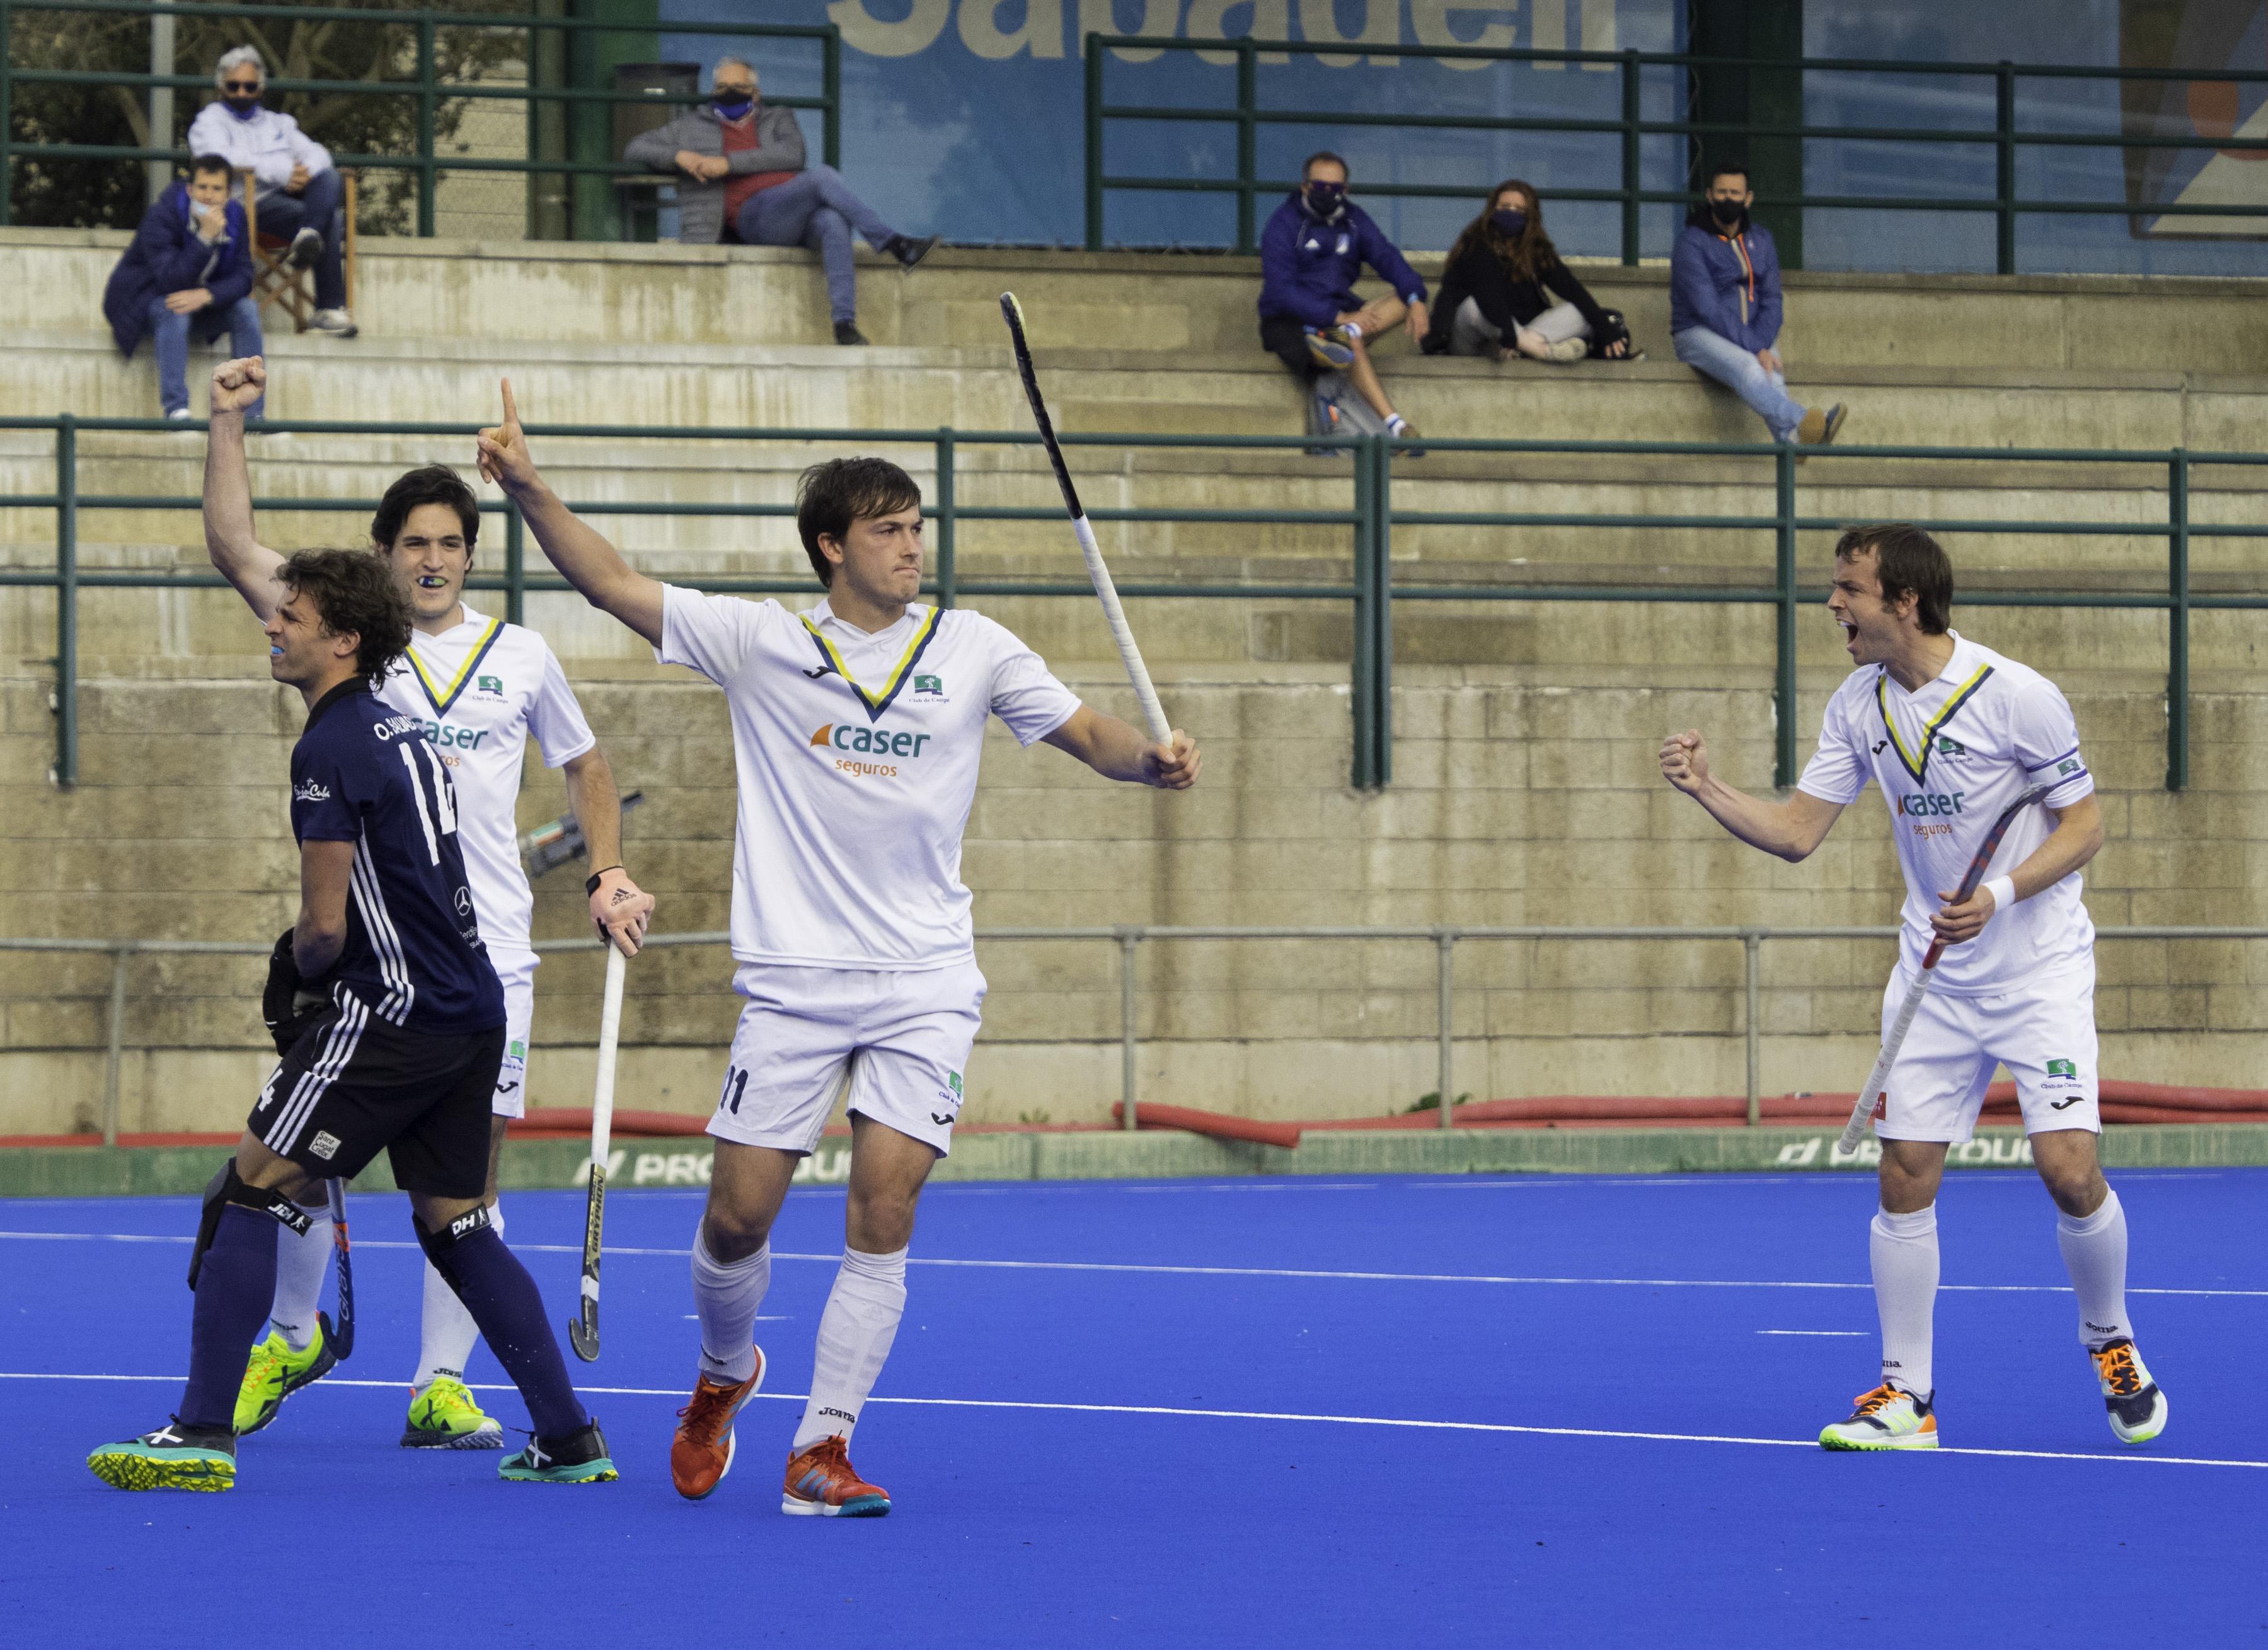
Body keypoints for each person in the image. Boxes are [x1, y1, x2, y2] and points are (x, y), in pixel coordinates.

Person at [475, 381, 1200, 1515]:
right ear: (831, 546)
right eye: (889, 530)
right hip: (793, 984)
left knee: (882, 1208)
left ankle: (821, 1446)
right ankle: (724, 1374)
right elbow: (611, 584)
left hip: (925, 980)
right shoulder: (763, 639)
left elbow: (1091, 732)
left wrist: (1145, 761)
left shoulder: (972, 646)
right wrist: (525, 486)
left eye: (918, 528)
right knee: (735, 1219)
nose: (913, 546)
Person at [85, 546, 616, 1491]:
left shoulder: (327, 748)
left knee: (247, 1186)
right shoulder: (408, 731)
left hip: (395, 1014)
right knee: (457, 1223)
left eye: (290, 613)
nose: (272, 623)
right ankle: (569, 1438)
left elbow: (327, 926)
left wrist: (299, 974)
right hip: (472, 1008)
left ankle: (202, 1431)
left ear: (343, 638)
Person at [198, 355, 653, 1451]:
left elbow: (587, 766)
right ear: (383, 557)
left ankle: (438, 1381)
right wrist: (224, 423)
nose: (435, 559)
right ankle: (294, 1328)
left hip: (491, 957)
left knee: (458, 1187)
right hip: (378, 955)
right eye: (415, 543)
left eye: (452, 542)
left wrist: (604, 870)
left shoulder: (522, 654)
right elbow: (229, 544)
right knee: (304, 1149)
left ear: (470, 554)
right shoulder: (347, 640)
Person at [1659, 523, 2167, 1453]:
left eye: (1847, 589)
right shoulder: (1856, 703)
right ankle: (1905, 1395)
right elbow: (1794, 831)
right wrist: (1704, 787)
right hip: (1931, 976)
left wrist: (1998, 893)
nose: (1831, 605)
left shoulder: (2017, 695)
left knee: (2065, 1168)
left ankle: (2109, 1339)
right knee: (1902, 1175)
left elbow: (2084, 825)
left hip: (2037, 967)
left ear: (1903, 600)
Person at [624, 54, 938, 346]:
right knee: (824, 176)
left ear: (755, 94)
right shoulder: (691, 126)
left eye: (738, 87)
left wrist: (728, 163)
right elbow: (635, 147)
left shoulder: (778, 118)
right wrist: (679, 154)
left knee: (833, 220)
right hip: (752, 218)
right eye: (721, 87)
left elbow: (793, 154)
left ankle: (845, 324)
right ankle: (895, 245)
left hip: (791, 212)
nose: (729, 93)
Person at [1258, 152, 1429, 444]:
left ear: (1345, 191)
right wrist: (1336, 317)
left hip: (1341, 314)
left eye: (1335, 189)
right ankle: (1396, 425)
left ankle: (1339, 337)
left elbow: (1387, 257)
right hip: (1289, 321)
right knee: (1350, 340)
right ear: (1304, 187)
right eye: (1319, 186)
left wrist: (1416, 299)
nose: (1327, 193)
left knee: (1401, 301)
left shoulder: (1354, 220)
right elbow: (1280, 291)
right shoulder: (1283, 222)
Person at [186, 45, 355, 337]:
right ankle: (329, 307)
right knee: (333, 219)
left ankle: (308, 238)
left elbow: (319, 154)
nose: (241, 93)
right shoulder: (209, 122)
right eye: (234, 85)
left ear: (260, 89)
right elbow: (218, 157)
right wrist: (282, 171)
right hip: (244, 205)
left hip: (288, 202)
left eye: (249, 86)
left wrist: (303, 174)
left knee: (328, 176)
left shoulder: (277, 123)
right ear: (221, 87)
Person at [1669, 161, 1841, 447]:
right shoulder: (1691, 243)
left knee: (1772, 376)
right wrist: (1756, 347)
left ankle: (1793, 442)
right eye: (1722, 192)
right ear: (1709, 196)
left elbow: (1773, 299)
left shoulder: (1762, 239)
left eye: (1735, 193)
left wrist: (1760, 342)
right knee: (1751, 367)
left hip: (1753, 333)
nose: (1728, 199)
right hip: (1697, 333)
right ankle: (1805, 420)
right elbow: (1707, 307)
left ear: (1748, 199)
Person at [101, 154, 263, 422]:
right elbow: (168, 281)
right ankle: (176, 411)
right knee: (174, 306)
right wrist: (205, 238)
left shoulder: (236, 216)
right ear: (190, 189)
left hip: (199, 305)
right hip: (143, 305)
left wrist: (208, 295)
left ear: (228, 193)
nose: (208, 196)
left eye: (217, 189)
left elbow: (245, 275)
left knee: (247, 309)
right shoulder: (163, 215)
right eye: (202, 188)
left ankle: (254, 417)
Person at [1423, 179, 1634, 363]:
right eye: (1505, 206)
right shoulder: (1475, 245)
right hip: (1475, 341)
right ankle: (1542, 352)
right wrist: (1509, 333)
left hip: (1517, 339)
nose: (1511, 213)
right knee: (1473, 307)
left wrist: (1607, 330)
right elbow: (1489, 295)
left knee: (1582, 312)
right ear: (1492, 210)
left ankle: (1525, 348)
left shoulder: (1536, 250)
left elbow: (1571, 288)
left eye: (1520, 210)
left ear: (1530, 216)